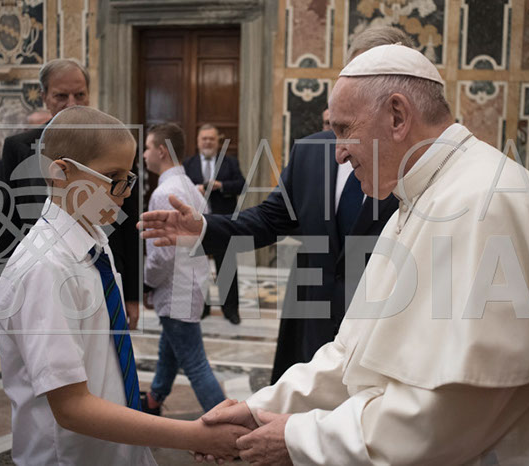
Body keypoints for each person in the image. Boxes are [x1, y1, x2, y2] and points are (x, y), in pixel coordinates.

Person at [149, 45, 529, 465]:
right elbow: (353, 353)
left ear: (398, 116)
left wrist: (297, 437)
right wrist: (262, 408)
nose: (337, 153)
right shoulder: (420, 195)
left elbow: (452, 411)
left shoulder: (482, 203)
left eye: (344, 129)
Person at [140, 26, 410, 383]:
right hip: (313, 332)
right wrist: (203, 227)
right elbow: (269, 219)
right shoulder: (312, 152)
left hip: (384, 344)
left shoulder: (420, 163)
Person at [0, 107, 247, 465]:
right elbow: (71, 408)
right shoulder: (45, 269)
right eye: (113, 177)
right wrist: (194, 435)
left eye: (129, 177)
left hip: (114, 446)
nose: (126, 192)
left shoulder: (95, 239)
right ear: (61, 173)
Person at [0, 58, 141, 344]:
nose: (72, 103)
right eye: (61, 95)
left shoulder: (114, 144)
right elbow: (5, 227)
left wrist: (133, 293)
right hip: (43, 272)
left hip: (102, 271)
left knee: (102, 354)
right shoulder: (18, 148)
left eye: (79, 94)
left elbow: (129, 222)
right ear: (44, 96)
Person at [141, 123, 226, 415]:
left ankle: (229, 424)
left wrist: (147, 284)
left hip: (176, 288)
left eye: (148, 148)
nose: (144, 155)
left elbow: (162, 255)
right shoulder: (191, 188)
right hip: (192, 283)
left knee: (195, 363)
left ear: (161, 151)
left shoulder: (164, 193)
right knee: (170, 347)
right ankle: (154, 400)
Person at [183, 124, 245, 325]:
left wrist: (221, 185)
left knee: (227, 266)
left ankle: (231, 310)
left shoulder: (229, 162)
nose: (208, 142)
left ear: (218, 142)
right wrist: (195, 190)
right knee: (198, 267)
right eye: (204, 139)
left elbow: (242, 185)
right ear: (198, 141)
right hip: (197, 223)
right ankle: (203, 307)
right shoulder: (188, 164)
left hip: (223, 222)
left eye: (211, 139)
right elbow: (181, 189)